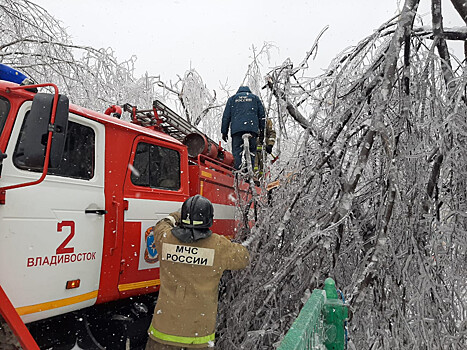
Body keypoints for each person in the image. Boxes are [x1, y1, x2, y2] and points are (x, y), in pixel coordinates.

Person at [146, 195, 250, 350]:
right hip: (198, 338)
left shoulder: (165, 239)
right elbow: (244, 258)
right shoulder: (218, 246)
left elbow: (162, 224)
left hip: (163, 334)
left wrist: (179, 215)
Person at [221, 86, 265, 170]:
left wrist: (224, 132)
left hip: (237, 130)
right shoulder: (255, 98)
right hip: (252, 129)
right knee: (252, 151)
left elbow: (226, 116)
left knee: (237, 152)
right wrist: (262, 131)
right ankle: (250, 171)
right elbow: (262, 116)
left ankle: (237, 171)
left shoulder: (232, 99)